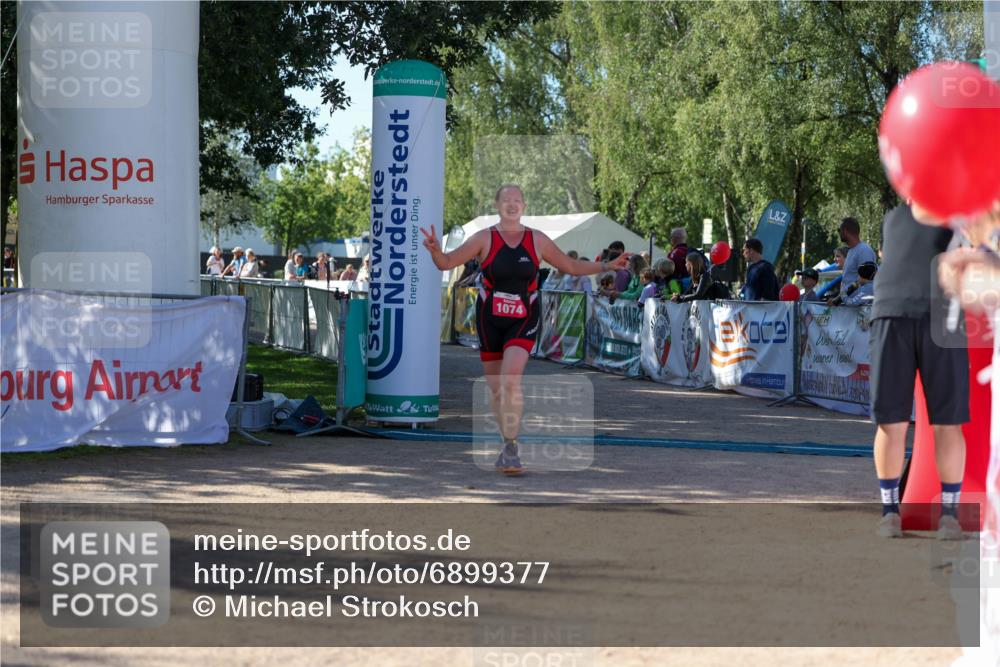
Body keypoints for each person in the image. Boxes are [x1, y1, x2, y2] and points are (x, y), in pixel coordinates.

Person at [420, 184, 629, 475]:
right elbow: (446, 262)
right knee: (496, 390)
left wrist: (606, 265)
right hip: (489, 319)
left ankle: (512, 447)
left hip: (524, 317)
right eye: (506, 200)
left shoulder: (537, 240)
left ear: (524, 206)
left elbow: (569, 265)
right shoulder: (484, 238)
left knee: (510, 381)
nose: (512, 204)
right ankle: (507, 439)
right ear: (497, 205)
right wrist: (434, 250)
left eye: (517, 200)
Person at [869, 203, 968, 539]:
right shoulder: (895, 216)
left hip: (937, 314)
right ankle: (891, 512)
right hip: (894, 312)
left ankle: (948, 517)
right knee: (893, 420)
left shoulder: (963, 213)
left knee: (945, 421)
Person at [839, 216, 877, 288]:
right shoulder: (851, 251)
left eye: (839, 230)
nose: (839, 233)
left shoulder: (864, 251)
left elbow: (868, 283)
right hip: (849, 299)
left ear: (845, 231)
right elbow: (848, 281)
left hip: (860, 299)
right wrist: (837, 298)